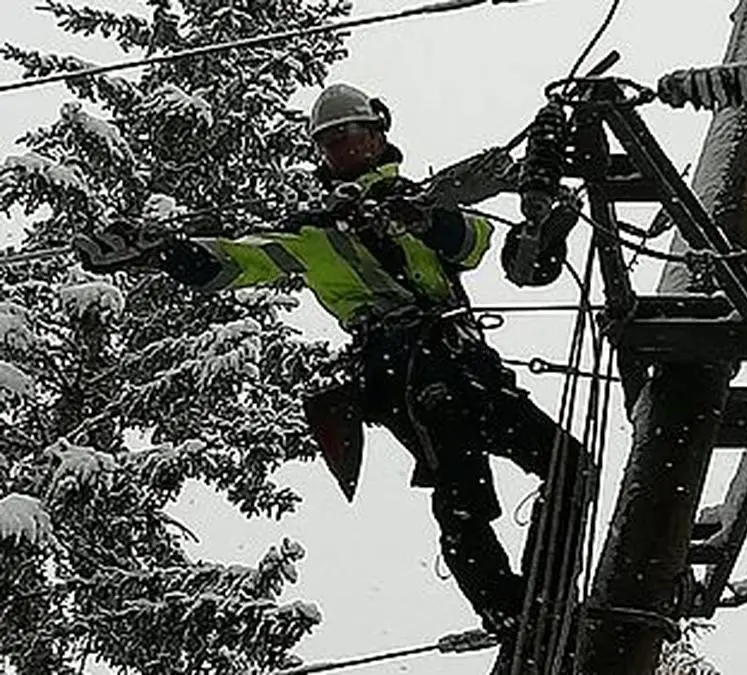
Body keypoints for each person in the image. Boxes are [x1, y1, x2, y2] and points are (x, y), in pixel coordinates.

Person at [74, 83, 581, 671]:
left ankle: (545, 596)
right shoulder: (317, 235)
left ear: (378, 135)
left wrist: (421, 215)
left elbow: (474, 243)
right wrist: (166, 252)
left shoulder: (423, 201)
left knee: (570, 466)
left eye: (352, 135)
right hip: (409, 372)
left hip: (469, 365)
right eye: (331, 142)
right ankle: (510, 611)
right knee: (464, 495)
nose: (344, 148)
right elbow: (238, 261)